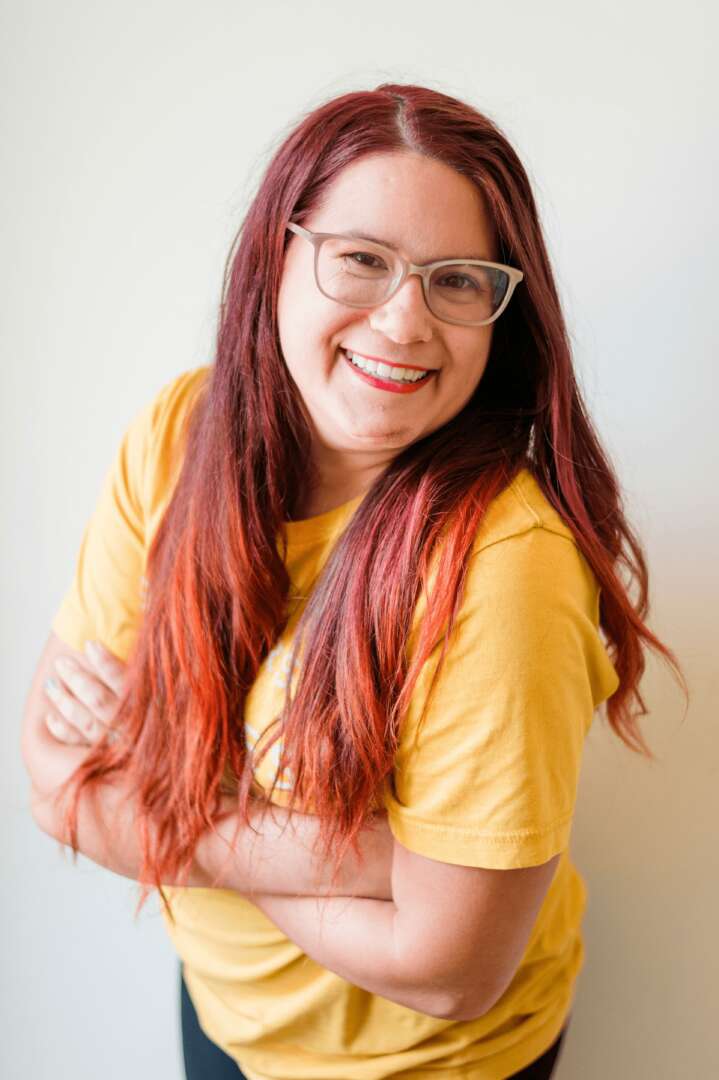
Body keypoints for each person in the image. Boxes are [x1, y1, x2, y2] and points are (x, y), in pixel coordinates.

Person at [24, 83, 687, 1080]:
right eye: (361, 260)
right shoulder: (178, 435)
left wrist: (173, 801)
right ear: (277, 255)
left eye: (455, 280)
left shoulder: (503, 568)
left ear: (499, 315)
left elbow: (449, 969)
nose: (403, 321)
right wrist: (365, 858)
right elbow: (57, 782)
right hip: (222, 1010)